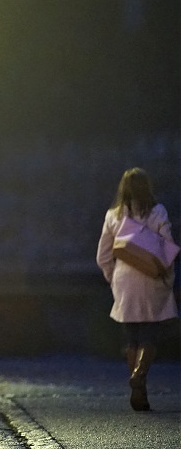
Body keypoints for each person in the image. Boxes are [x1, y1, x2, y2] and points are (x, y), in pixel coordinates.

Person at [95, 167, 178, 412]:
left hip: (124, 281)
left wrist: (114, 278)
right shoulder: (158, 211)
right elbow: (168, 246)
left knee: (131, 336)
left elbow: (102, 256)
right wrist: (166, 275)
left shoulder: (113, 216)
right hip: (151, 280)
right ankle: (139, 375)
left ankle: (138, 391)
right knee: (149, 334)